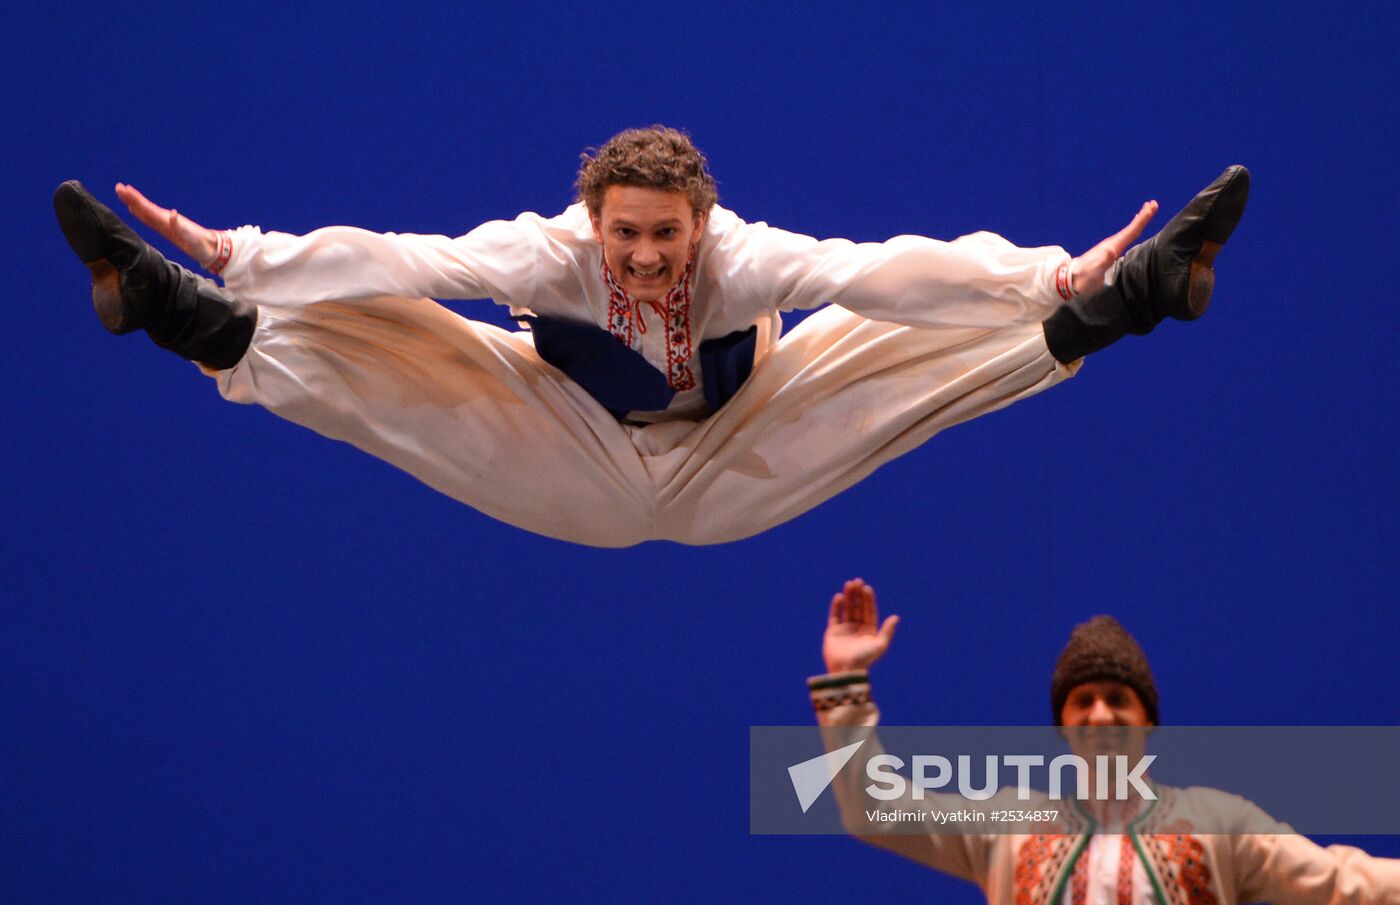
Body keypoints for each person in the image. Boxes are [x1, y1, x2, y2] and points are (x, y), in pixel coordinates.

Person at [54, 127, 1249, 547]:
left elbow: (876, 269)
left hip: (740, 447)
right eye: (624, 235)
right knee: (408, 343)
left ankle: (1127, 294)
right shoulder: (546, 251)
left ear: (702, 220)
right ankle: (179, 309)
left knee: (871, 349)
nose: (642, 256)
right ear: (590, 222)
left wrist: (1046, 269)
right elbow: (412, 256)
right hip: (570, 451)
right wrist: (242, 252)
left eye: (663, 235)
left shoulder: (740, 256)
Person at [808, 579, 1400, 905]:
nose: (1099, 714)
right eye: (1082, 700)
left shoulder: (1218, 822)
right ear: (1064, 725)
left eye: (1117, 698)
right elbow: (873, 809)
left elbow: (1340, 879)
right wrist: (848, 682)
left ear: (1146, 718)